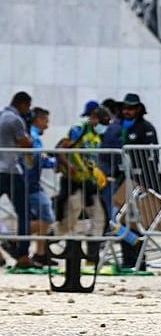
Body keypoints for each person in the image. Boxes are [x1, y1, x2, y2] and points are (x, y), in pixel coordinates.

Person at [54, 106, 112, 263]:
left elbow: (90, 158)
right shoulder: (79, 129)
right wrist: (69, 167)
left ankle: (92, 258)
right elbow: (60, 150)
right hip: (73, 182)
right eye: (103, 122)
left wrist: (96, 172)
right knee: (70, 217)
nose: (104, 126)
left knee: (99, 218)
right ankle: (49, 241)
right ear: (93, 118)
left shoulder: (97, 136)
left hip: (88, 183)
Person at [119, 93, 158, 269]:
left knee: (137, 222)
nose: (127, 111)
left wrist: (147, 183)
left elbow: (151, 156)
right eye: (125, 108)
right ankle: (128, 259)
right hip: (122, 181)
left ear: (138, 109)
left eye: (131, 108)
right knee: (120, 221)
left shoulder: (146, 128)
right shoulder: (120, 126)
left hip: (139, 182)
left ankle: (138, 260)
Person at [0, 92, 35, 267]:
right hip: (11, 171)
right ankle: (22, 255)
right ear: (23, 104)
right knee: (24, 213)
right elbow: (26, 143)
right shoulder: (15, 120)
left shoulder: (1, 115)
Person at [23, 107, 57, 264]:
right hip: (30, 183)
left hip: (30, 182)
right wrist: (56, 162)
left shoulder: (31, 134)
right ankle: (15, 237)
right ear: (38, 119)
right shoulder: (33, 136)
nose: (47, 125)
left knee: (43, 217)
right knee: (46, 216)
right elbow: (37, 158)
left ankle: (40, 252)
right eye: (45, 120)